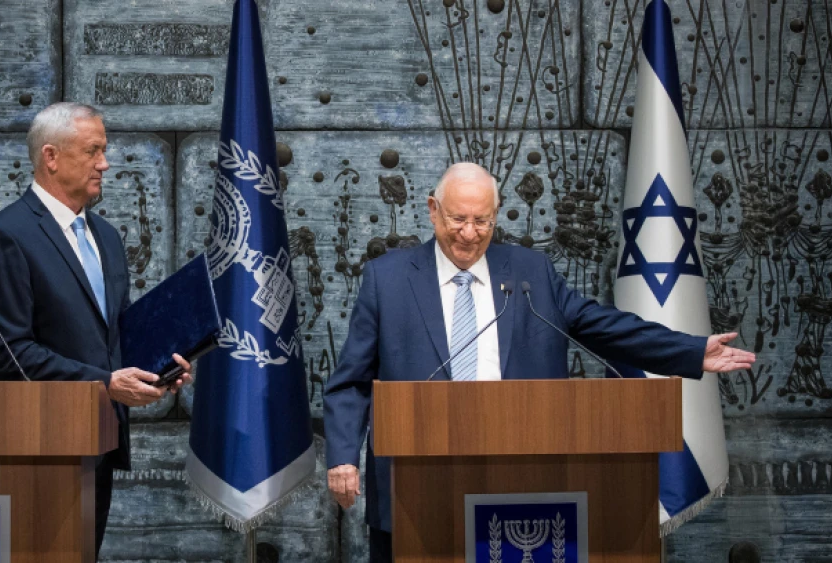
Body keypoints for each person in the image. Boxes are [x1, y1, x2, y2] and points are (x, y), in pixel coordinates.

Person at [322, 162, 756, 562]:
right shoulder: (388, 279)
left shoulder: (531, 272)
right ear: (433, 210)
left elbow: (604, 326)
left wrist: (690, 350)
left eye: (482, 221)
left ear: (496, 216)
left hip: (524, 486)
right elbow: (352, 381)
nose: (469, 234)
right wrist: (344, 458)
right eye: (458, 219)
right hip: (415, 488)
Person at [0, 102, 193, 554]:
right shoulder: (6, 236)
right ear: (51, 157)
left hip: (98, 439)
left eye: (104, 150)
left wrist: (157, 369)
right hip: (37, 445)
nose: (104, 163)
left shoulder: (105, 236)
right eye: (93, 151)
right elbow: (11, 355)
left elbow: (115, 334)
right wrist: (106, 383)